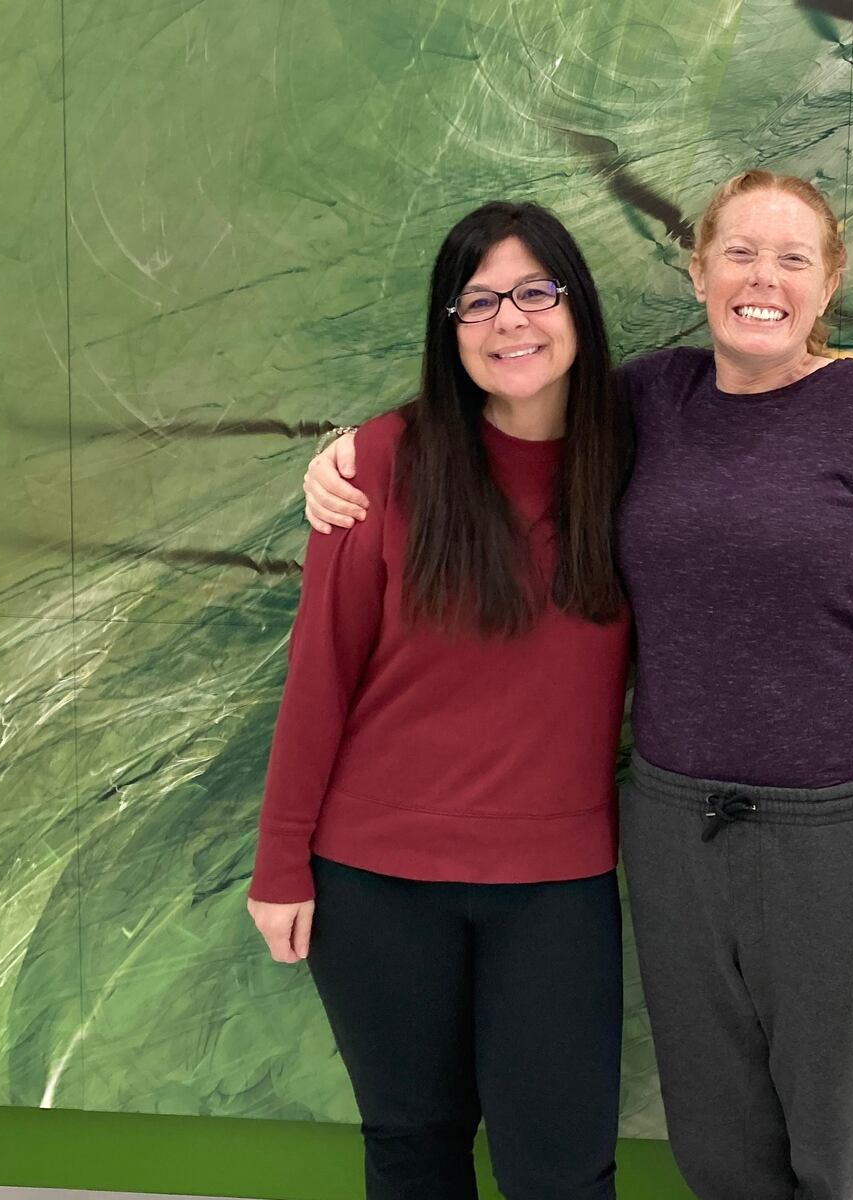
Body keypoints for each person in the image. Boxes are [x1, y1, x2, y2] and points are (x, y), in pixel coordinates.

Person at [301, 172, 853, 1200]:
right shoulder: (649, 396)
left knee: (830, 1134)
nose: (762, 278)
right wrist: (357, 450)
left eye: (792, 258)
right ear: (696, 272)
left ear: (827, 283)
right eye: (738, 252)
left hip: (829, 831)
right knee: (715, 1136)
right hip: (669, 829)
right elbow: (512, 377)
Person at [247, 201, 633, 1200]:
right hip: (375, 885)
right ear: (447, 327)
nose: (511, 322)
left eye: (535, 292)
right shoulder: (377, 463)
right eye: (479, 303)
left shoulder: (640, 458)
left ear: (576, 306)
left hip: (556, 887)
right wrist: (279, 864)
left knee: (561, 1173)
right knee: (414, 1151)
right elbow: (319, 674)